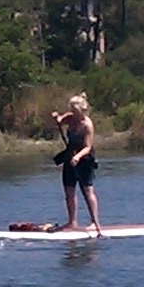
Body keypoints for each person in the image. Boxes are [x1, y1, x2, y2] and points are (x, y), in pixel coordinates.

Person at [50, 94, 100, 231]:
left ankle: (94, 223)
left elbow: (88, 147)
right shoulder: (70, 117)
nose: (72, 113)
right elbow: (60, 121)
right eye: (71, 109)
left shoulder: (87, 125)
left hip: (84, 159)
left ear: (82, 110)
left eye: (74, 110)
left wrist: (78, 157)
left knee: (88, 191)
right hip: (70, 156)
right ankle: (72, 222)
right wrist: (57, 119)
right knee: (69, 190)